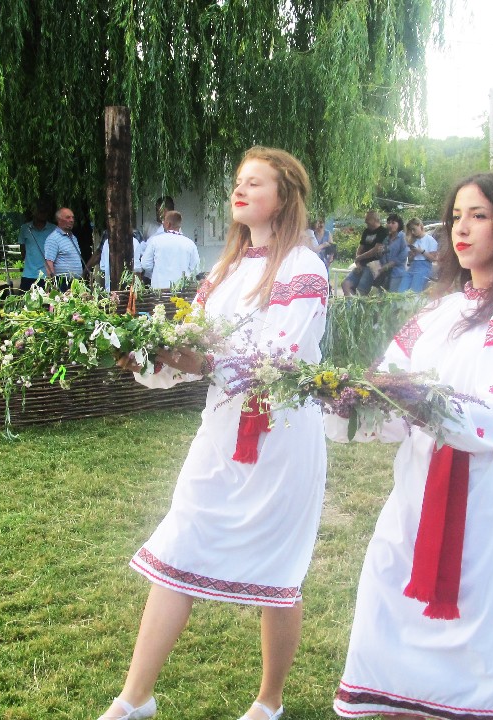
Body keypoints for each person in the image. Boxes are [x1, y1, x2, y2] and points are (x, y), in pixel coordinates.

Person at [100, 147, 329, 720]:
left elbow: (280, 355)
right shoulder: (222, 271)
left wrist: (201, 360)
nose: (240, 189)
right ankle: (135, 700)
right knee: (181, 538)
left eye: (255, 182)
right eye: (238, 181)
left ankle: (268, 703)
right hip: (221, 430)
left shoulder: (304, 268)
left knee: (281, 567)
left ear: (285, 197)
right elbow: (190, 347)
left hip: (280, 436)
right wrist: (150, 360)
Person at [328, 172, 493, 720]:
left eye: (478, 215)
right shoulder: (437, 313)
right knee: (390, 602)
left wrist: (410, 397)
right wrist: (347, 400)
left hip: (479, 495)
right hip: (414, 486)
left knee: (475, 629)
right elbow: (388, 392)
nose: (461, 228)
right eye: (456, 215)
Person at [137, 210, 200, 289]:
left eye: (164, 221)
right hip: (181, 290)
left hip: (159, 289)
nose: (162, 223)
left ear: (168, 224)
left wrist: (157, 270)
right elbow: (196, 269)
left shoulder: (155, 241)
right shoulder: (190, 244)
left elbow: (145, 264)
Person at [87, 218, 146, 291]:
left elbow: (103, 267)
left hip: (111, 292)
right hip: (130, 293)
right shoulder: (134, 242)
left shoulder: (106, 243)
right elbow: (137, 270)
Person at [341, 210, 387, 295]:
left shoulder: (383, 231)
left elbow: (375, 250)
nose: (365, 221)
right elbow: (360, 247)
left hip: (372, 266)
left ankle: (360, 306)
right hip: (361, 264)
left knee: (361, 290)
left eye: (368, 219)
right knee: (345, 284)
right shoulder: (366, 231)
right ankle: (350, 306)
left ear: (375, 219)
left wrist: (359, 257)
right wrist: (357, 261)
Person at [19, 199, 58, 293]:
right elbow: (23, 251)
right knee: (24, 304)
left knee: (47, 305)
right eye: (40, 211)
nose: (43, 214)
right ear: (34, 212)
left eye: (45, 211)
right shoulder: (25, 228)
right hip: (28, 274)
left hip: (47, 276)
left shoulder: (54, 229)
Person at [43, 207, 85, 289]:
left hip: (76, 283)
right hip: (62, 283)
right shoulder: (53, 238)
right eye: (68, 217)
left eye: (73, 217)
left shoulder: (73, 238)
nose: (72, 220)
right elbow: (49, 264)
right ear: (59, 220)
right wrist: (54, 286)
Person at [394, 218, 438, 293]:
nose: (412, 232)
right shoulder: (412, 240)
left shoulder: (430, 240)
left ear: (419, 225)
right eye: (411, 230)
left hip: (424, 266)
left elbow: (433, 258)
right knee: (401, 291)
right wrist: (412, 255)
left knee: (414, 292)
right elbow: (410, 261)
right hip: (412, 266)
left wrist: (422, 251)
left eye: (414, 229)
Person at [376, 213, 407, 291]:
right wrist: (379, 252)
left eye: (393, 223)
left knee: (392, 299)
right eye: (388, 223)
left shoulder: (403, 237)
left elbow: (402, 256)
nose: (390, 225)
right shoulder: (386, 239)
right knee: (382, 298)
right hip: (384, 274)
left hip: (397, 273)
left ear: (399, 224)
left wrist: (387, 266)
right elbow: (381, 256)